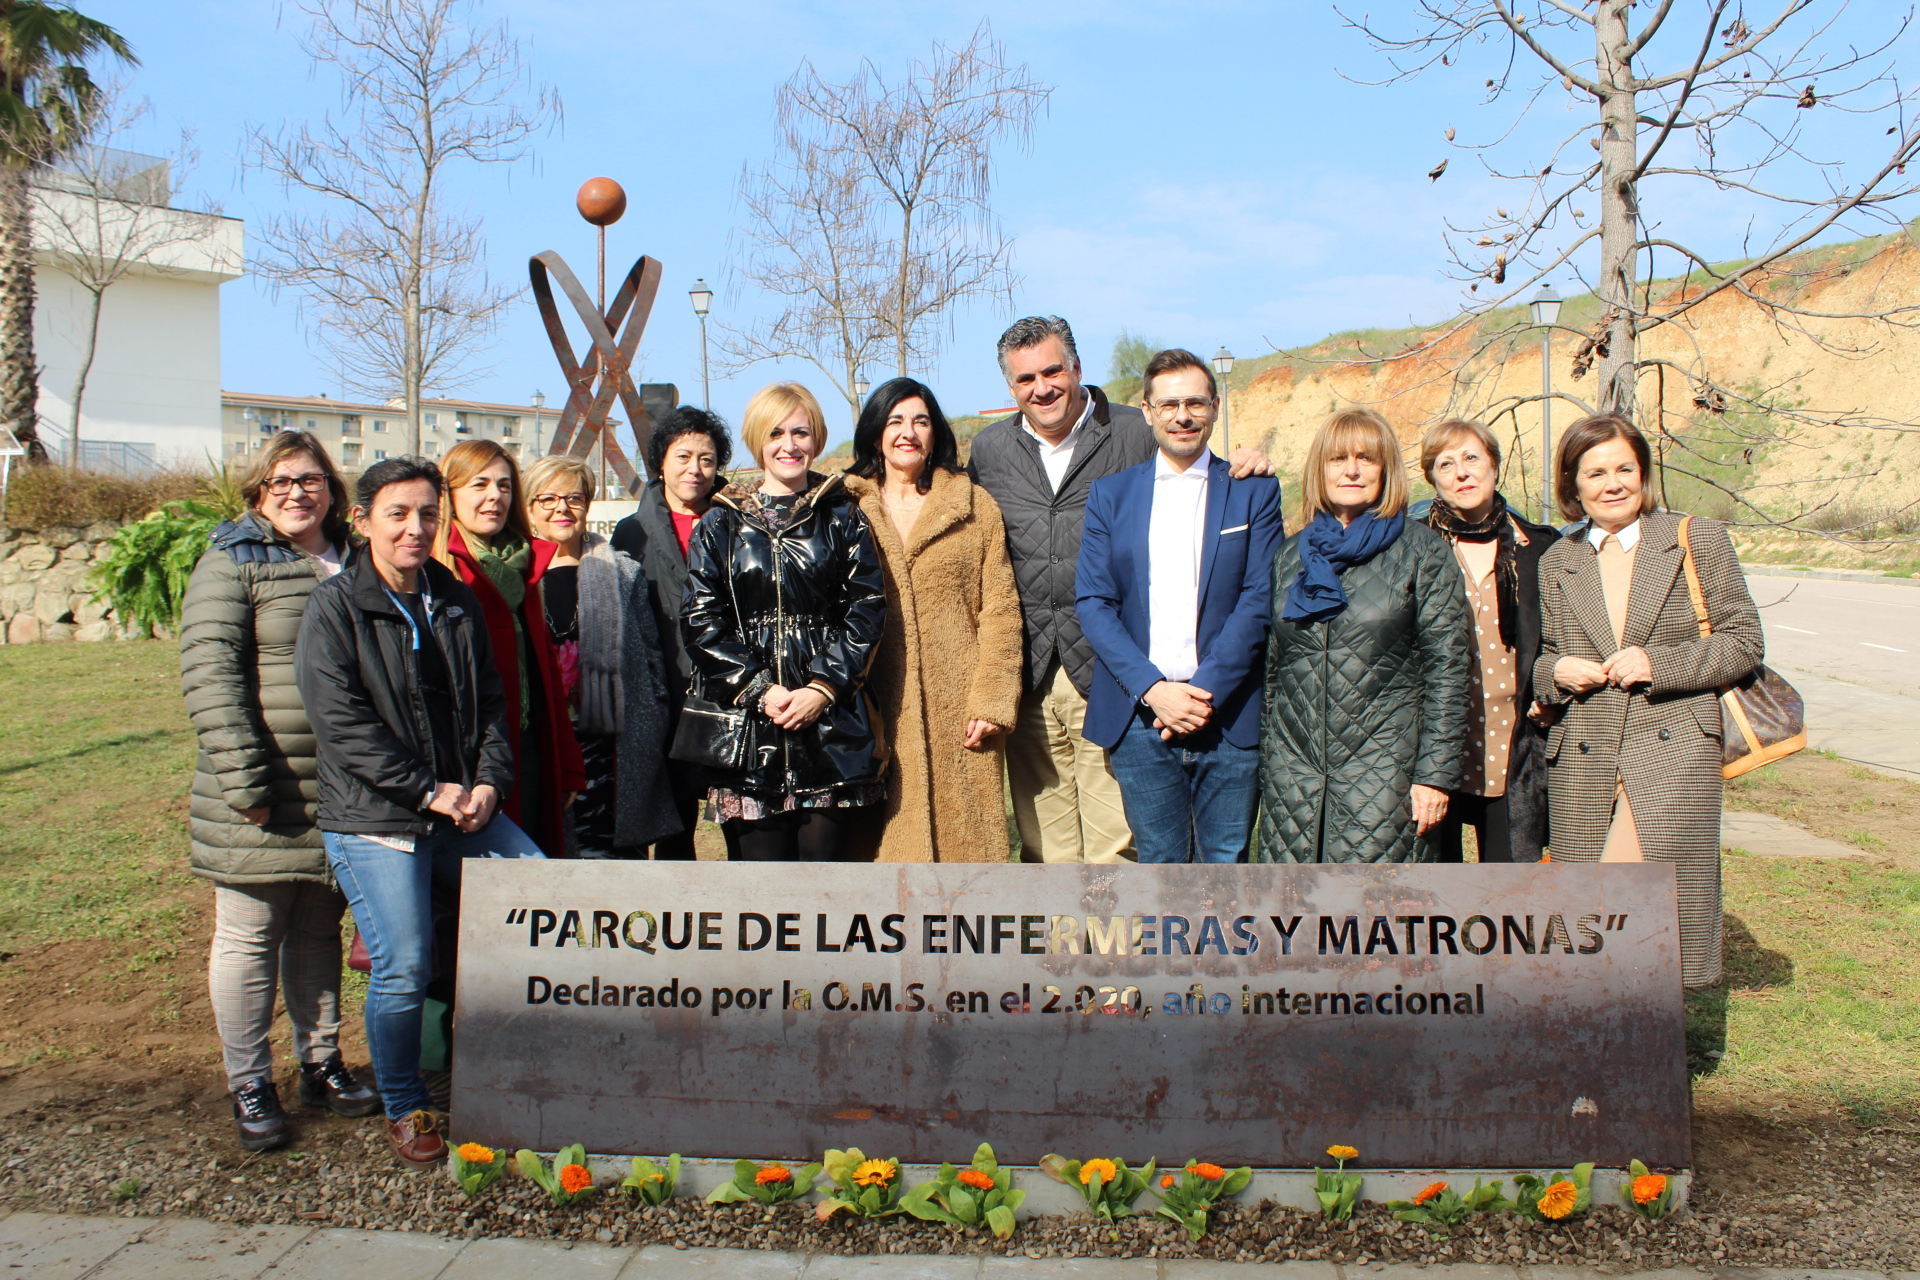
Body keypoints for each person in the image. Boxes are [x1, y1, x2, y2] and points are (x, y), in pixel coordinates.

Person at [295, 456, 546, 1167]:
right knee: (404, 964)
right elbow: (341, 725)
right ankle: (406, 1102)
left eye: (428, 514)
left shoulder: (452, 597)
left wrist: (490, 784)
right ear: (363, 520)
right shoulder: (336, 608)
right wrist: (424, 789)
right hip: (377, 819)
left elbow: (493, 705)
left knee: (543, 899)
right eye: (399, 513)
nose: (415, 527)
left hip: (463, 809)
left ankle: (530, 1064)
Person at [968, 316, 1273, 864]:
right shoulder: (991, 450)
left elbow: (1199, 466)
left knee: (1121, 844)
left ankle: (1119, 951)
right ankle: (1064, 951)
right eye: (1025, 379)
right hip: (1032, 670)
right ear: (1011, 387)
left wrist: (1245, 463)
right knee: (1046, 845)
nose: (1042, 388)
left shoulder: (1137, 429)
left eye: (1053, 371)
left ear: (1077, 367)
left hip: (1111, 674)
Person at [179, 430, 379, 1152]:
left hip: (341, 788)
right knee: (250, 935)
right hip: (265, 787)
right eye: (280, 480)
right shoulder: (233, 562)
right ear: (257, 490)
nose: (297, 492)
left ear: (334, 488)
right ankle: (249, 1081)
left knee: (317, 931)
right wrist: (244, 780)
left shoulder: (357, 561)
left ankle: (320, 1062)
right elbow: (211, 678)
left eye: (312, 479)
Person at [1534, 414, 1763, 989]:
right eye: (1595, 472)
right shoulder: (1558, 560)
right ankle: (1613, 1046)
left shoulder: (1693, 538)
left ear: (1643, 474)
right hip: (1584, 754)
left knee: (1630, 896)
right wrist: (1556, 671)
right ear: (1573, 485)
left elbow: (1743, 641)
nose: (1612, 483)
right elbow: (1545, 657)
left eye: (1624, 469)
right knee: (1587, 911)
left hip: (1671, 746)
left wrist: (1660, 663)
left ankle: (1638, 1049)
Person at [1076, 350, 1285, 864]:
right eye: (1168, 404)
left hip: (1228, 713)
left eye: (1195, 402)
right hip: (1141, 718)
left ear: (1215, 408)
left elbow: (1260, 598)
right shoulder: (1110, 496)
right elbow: (1095, 602)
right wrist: (1155, 691)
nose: (1182, 415)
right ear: (1146, 411)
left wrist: (1200, 694)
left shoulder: (1252, 491)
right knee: (1159, 869)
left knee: (1226, 866)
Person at [681, 382, 889, 861]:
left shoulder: (843, 516)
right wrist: (758, 688)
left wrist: (822, 688)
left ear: (816, 437)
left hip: (830, 727)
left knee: (827, 891)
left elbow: (867, 608)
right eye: (776, 432)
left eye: (801, 432)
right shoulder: (720, 523)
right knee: (760, 895)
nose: (789, 445)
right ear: (758, 439)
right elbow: (700, 618)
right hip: (749, 728)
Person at [1255, 408, 1473, 864]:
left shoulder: (1421, 552)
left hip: (1386, 775)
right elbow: (1274, 672)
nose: (1351, 470)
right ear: (1321, 468)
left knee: (1378, 922)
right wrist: (1272, 762)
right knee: (1297, 920)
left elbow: (1449, 672)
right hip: (1294, 778)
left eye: (1366, 459)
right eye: (1338, 459)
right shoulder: (1291, 556)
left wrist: (1435, 775)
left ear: (1386, 470)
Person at [842, 377, 1023, 862]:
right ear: (875, 432)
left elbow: (1001, 612)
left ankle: (969, 935)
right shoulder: (845, 507)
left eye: (920, 421)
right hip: (870, 703)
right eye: (895, 420)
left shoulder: (973, 507)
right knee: (872, 853)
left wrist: (992, 700)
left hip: (959, 707)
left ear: (936, 432)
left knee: (967, 854)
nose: (908, 432)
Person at [1417, 419, 1561, 863]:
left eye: (1472, 458)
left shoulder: (1540, 548)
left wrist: (1553, 692)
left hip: (1511, 741)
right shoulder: (1412, 547)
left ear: (1494, 466)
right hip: (1434, 744)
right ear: (1433, 479)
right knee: (1432, 896)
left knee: (1509, 891)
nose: (1461, 472)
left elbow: (1565, 634)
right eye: (1446, 464)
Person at [523, 453, 680, 858]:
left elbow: (652, 658)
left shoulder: (621, 571)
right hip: (541, 744)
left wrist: (653, 722)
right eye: (548, 499)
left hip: (612, 749)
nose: (562, 508)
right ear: (529, 507)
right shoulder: (512, 576)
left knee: (611, 872)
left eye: (574, 498)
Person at [433, 439, 584, 856]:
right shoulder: (438, 566)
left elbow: (546, 673)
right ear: (449, 493)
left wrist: (567, 765)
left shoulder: (526, 562)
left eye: (504, 485)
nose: (494, 496)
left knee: (527, 893)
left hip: (530, 745)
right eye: (478, 484)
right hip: (463, 758)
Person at [611, 407, 734, 858]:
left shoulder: (739, 523)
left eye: (706, 458)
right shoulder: (631, 533)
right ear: (660, 462)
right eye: (682, 457)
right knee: (674, 832)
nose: (694, 470)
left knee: (741, 822)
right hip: (664, 697)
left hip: (731, 696)